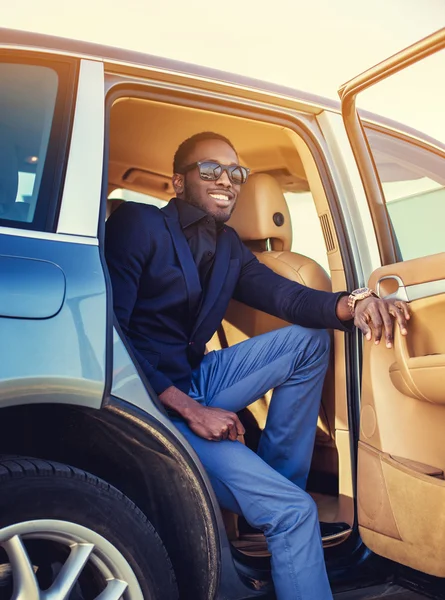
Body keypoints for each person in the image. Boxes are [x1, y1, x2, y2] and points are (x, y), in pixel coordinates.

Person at [105, 131, 410, 600]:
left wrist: (358, 300)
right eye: (211, 170)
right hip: (146, 397)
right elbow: (111, 333)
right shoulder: (138, 224)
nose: (226, 180)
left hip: (198, 378)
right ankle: (281, 510)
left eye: (236, 172)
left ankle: (273, 491)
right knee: (296, 513)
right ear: (177, 182)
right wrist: (191, 410)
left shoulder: (227, 247)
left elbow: (288, 297)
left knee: (309, 340)